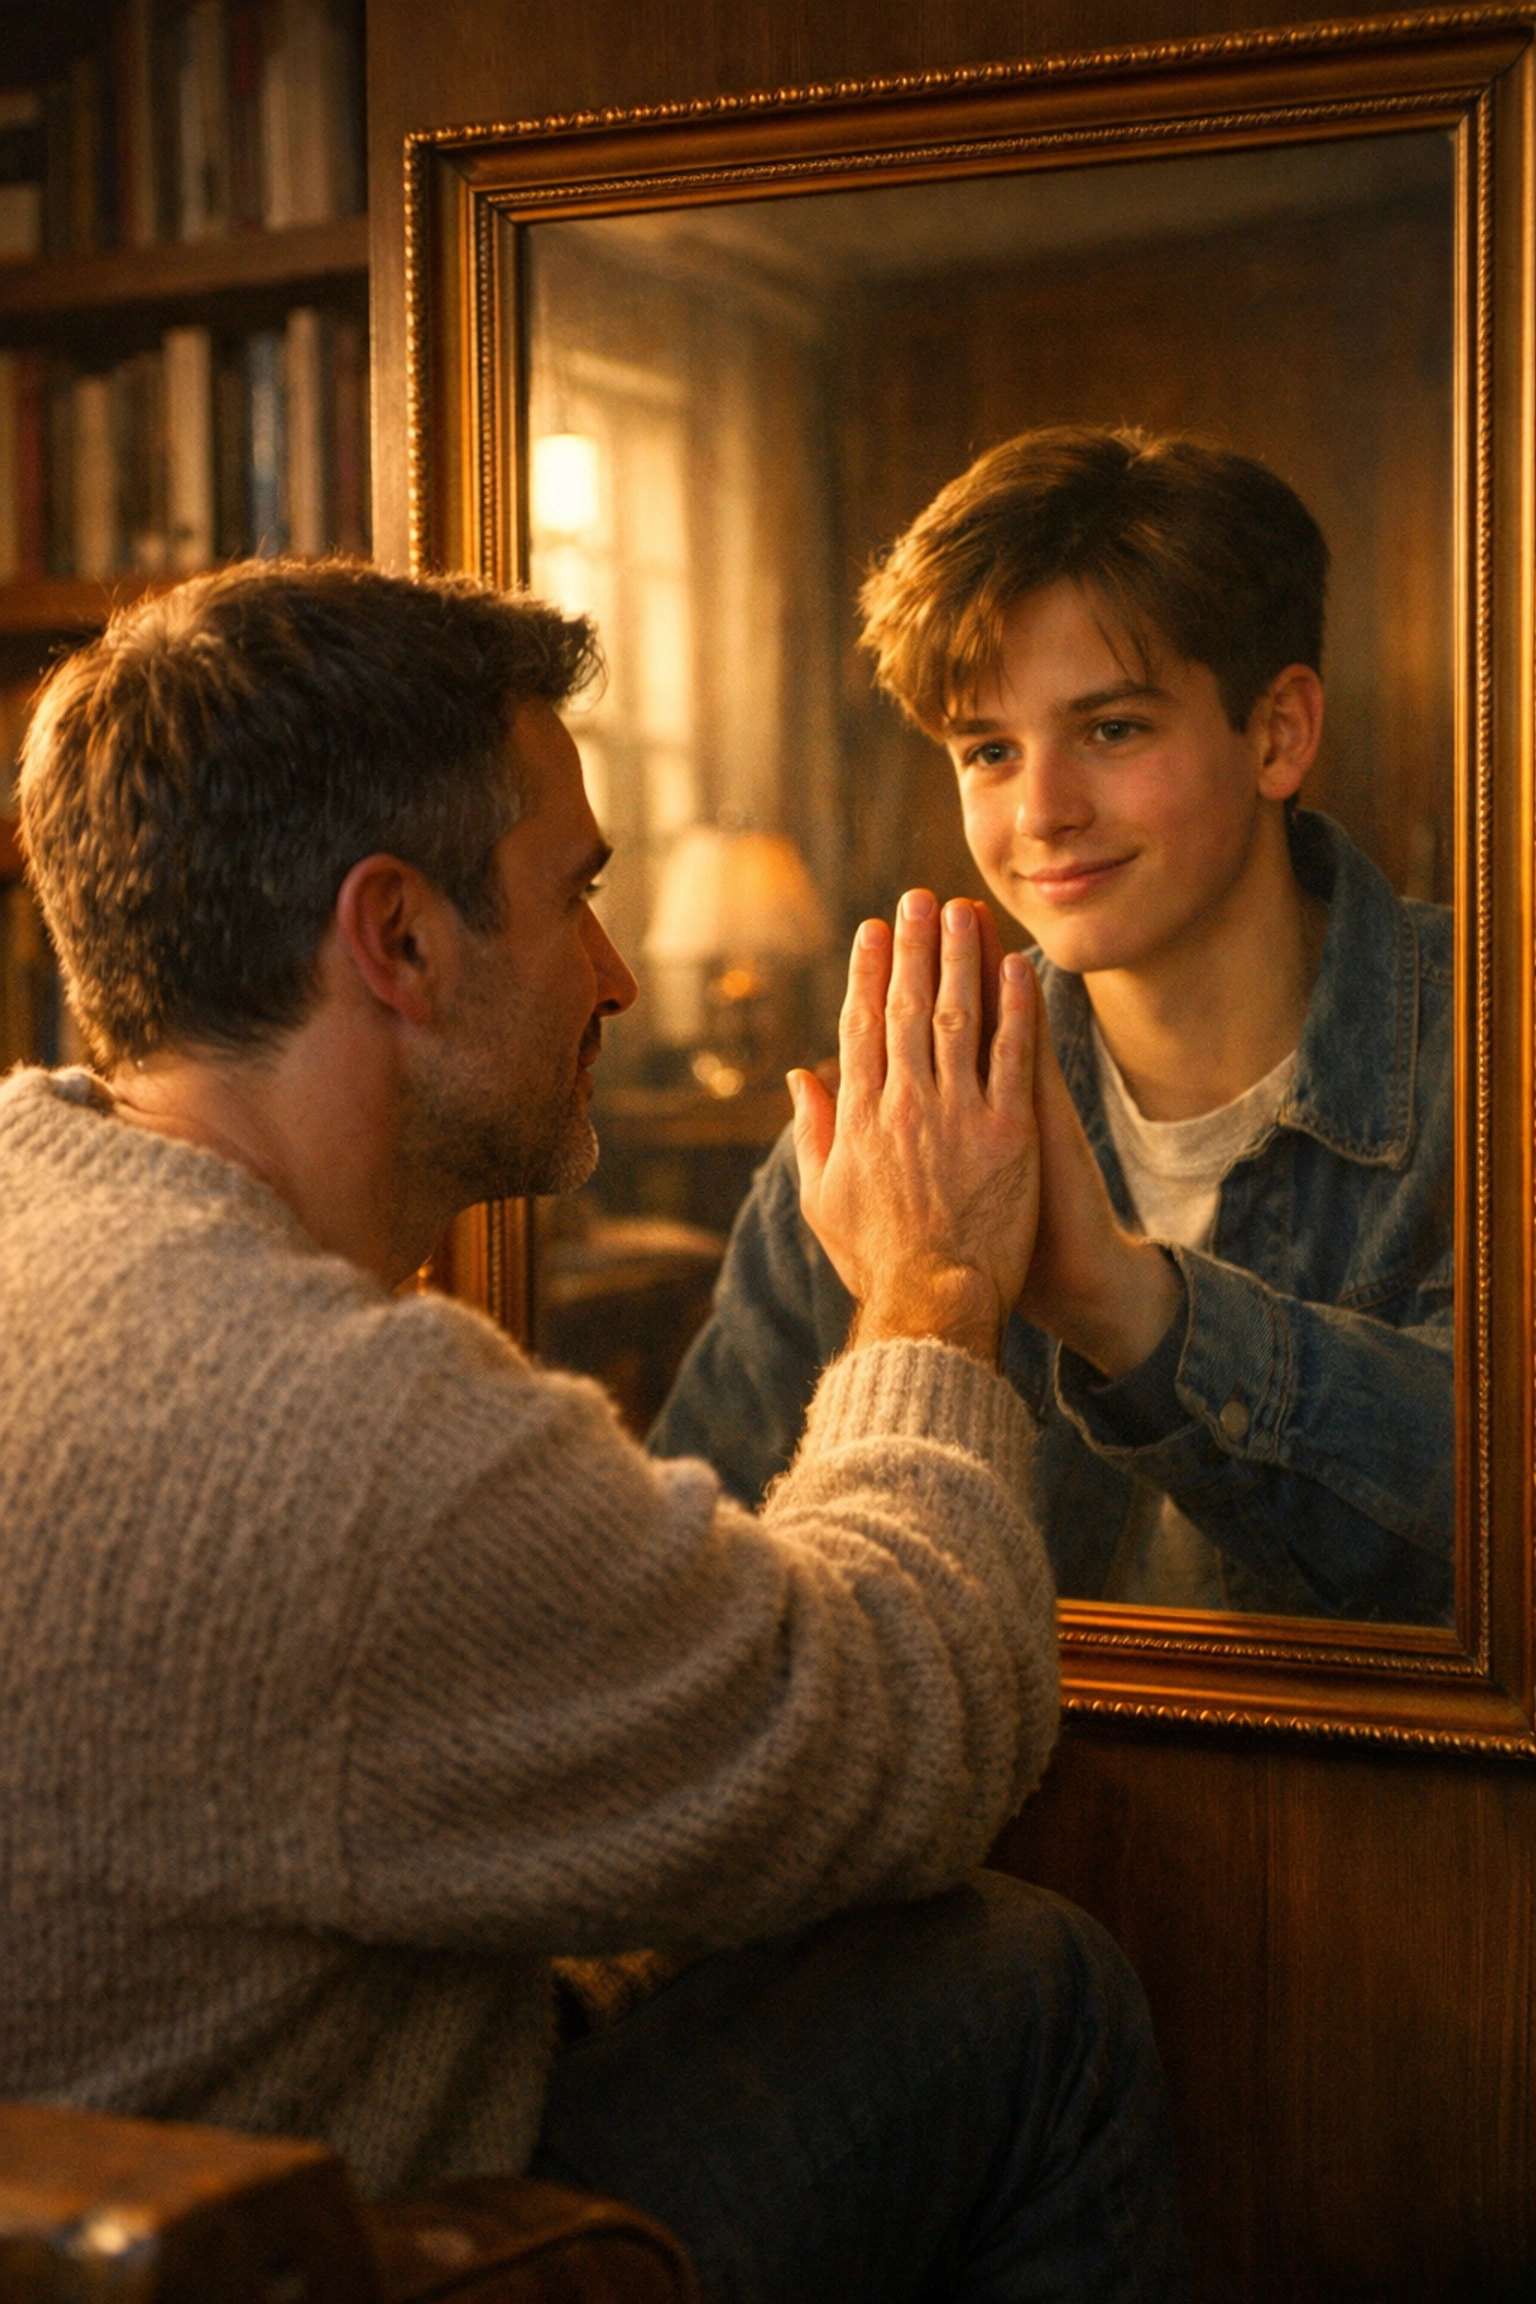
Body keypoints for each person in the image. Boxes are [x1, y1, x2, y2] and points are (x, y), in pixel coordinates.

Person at [1, 560, 1184, 2304]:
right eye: (579, 893)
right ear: (397, 936)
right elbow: (913, 1715)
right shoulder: (342, 1427)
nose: (621, 973)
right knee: (1027, 1988)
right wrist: (934, 1278)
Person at [653, 427, 1453, 1624]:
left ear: (1278, 733)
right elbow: (695, 1596)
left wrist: (1127, 1310)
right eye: (988, 749)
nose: (1042, 813)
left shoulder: (1497, 1053)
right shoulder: (894, 1123)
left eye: (1113, 730)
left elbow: (1494, 1534)